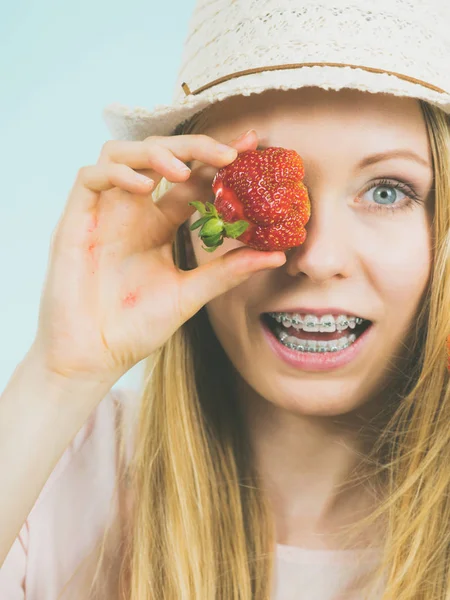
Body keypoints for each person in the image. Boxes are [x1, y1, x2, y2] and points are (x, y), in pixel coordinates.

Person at [0, 0, 449, 598]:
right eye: (246, 180)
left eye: (388, 191)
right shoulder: (60, 471)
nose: (317, 258)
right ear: (187, 218)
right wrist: (59, 374)